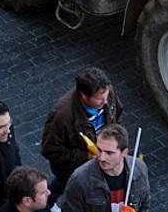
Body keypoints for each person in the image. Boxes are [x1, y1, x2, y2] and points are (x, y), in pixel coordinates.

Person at [41, 67, 125, 195]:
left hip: (100, 165)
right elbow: (50, 150)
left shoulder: (107, 93)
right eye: (99, 99)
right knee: (69, 189)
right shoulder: (62, 116)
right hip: (74, 171)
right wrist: (86, 156)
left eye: (107, 96)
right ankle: (48, 201)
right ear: (84, 96)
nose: (106, 101)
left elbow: (117, 115)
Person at [62, 124, 150, 212]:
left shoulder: (139, 168)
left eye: (109, 153)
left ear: (124, 152)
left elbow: (145, 202)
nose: (101, 158)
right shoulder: (79, 180)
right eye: (99, 150)